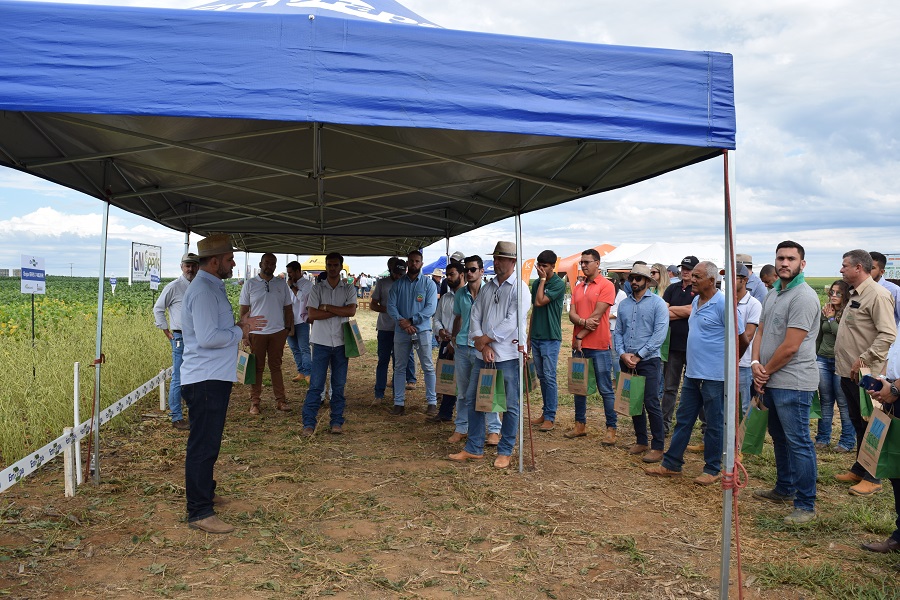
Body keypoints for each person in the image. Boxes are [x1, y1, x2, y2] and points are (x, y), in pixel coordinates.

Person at [181, 234, 266, 534]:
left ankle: (205, 494)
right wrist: (239, 330)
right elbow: (208, 338)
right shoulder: (204, 291)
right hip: (205, 379)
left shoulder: (209, 286)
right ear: (215, 261)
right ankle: (199, 512)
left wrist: (237, 330)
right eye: (230, 259)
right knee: (203, 445)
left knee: (208, 443)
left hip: (211, 377)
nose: (233, 264)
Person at [646, 261, 744, 482]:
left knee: (713, 423)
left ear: (711, 281)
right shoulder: (696, 301)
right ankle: (672, 464)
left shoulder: (723, 304)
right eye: (692, 276)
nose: (691, 279)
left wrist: (729, 365)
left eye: (697, 277)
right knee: (684, 419)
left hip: (714, 376)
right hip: (693, 374)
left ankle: (712, 469)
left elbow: (740, 338)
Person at [751, 241, 821, 524]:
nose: (784, 263)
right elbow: (761, 331)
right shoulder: (773, 293)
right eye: (780, 258)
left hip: (794, 381)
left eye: (791, 258)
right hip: (771, 378)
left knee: (799, 441)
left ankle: (806, 504)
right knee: (779, 437)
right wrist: (756, 364)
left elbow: (791, 346)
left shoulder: (803, 297)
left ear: (802, 264)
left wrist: (764, 370)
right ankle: (784, 488)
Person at [449, 241, 530, 468]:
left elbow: (513, 321)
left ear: (512, 262)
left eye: (501, 258)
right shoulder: (488, 287)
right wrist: (482, 344)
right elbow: (474, 315)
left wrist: (487, 338)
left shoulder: (520, 288)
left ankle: (505, 450)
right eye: (495, 258)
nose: (496, 262)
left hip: (508, 355)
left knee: (510, 405)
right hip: (483, 354)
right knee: (475, 399)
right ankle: (474, 448)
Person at [833, 249, 896, 496]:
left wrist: (863, 359)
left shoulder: (878, 295)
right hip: (850, 373)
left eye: (844, 265)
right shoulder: (856, 294)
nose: (841, 270)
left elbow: (888, 334)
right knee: (859, 422)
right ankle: (860, 467)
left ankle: (874, 477)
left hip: (866, 374)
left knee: (873, 424)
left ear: (858, 268)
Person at [613, 264, 669, 462]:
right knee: (633, 401)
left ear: (647, 281)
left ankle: (658, 446)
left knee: (651, 402)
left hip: (648, 361)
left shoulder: (658, 304)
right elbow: (618, 331)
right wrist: (622, 354)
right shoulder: (624, 305)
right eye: (632, 278)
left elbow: (659, 335)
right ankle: (641, 440)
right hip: (626, 359)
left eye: (638, 278)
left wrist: (639, 355)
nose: (634, 282)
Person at [301, 252, 358, 435]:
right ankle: (309, 423)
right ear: (326, 267)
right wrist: (339, 311)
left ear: (341, 267)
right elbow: (312, 315)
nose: (332, 268)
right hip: (320, 342)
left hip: (341, 343)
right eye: (329, 265)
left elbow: (351, 311)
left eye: (335, 265)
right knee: (316, 385)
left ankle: (336, 422)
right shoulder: (317, 289)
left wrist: (326, 308)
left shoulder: (348, 288)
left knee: (339, 385)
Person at [448, 255, 502, 444]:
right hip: (463, 346)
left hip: (483, 347)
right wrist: (453, 339)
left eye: (473, 269)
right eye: (467, 270)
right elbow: (457, 318)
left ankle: (494, 430)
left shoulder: (491, 292)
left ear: (481, 271)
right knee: (463, 391)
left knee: (488, 388)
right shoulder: (460, 294)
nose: (469, 273)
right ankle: (461, 427)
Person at [566, 248, 617, 444]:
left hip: (598, 345)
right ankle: (580, 425)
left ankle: (611, 428)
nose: (583, 265)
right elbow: (571, 314)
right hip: (579, 345)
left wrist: (580, 333)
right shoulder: (578, 286)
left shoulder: (606, 286)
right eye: (582, 262)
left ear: (597, 263)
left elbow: (597, 316)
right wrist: (582, 323)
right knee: (579, 387)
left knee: (605, 388)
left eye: (587, 262)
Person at [239, 253, 293, 415]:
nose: (270, 266)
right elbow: (244, 310)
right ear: (261, 264)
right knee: (257, 368)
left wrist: (287, 330)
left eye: (273, 264)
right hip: (257, 333)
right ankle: (255, 402)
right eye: (267, 263)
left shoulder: (281, 284)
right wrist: (244, 333)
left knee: (276, 366)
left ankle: (281, 401)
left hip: (277, 332)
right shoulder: (250, 284)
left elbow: (288, 308)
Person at [387, 250, 438, 416]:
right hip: (401, 331)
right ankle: (399, 402)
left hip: (421, 330)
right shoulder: (397, 285)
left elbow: (431, 307)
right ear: (407, 263)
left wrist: (413, 320)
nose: (414, 263)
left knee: (428, 366)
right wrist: (403, 321)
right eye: (411, 261)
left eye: (417, 261)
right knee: (400, 367)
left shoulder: (428, 284)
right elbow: (391, 306)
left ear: (421, 263)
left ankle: (432, 402)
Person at [153, 252, 200, 431]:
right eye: (187, 265)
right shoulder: (173, 287)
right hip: (180, 336)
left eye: (193, 265)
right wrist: (165, 330)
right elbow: (158, 309)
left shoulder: (200, 286)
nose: (190, 269)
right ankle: (176, 417)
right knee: (179, 377)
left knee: (196, 375)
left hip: (199, 336)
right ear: (181, 267)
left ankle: (194, 413)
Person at [860, 340, 900, 553]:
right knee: (897, 469)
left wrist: (894, 388)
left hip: (896, 391)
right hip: (894, 393)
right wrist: (883, 380)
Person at [813, 280, 855, 452]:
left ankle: (846, 441)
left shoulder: (848, 312)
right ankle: (823, 438)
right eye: (832, 292)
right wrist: (814, 356)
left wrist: (831, 318)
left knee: (843, 402)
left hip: (841, 360)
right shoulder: (825, 310)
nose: (834, 296)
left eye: (838, 293)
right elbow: (819, 336)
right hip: (823, 359)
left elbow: (842, 335)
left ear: (845, 295)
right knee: (826, 400)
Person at [527, 250, 566, 432]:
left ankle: (550, 416)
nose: (540, 269)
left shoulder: (558, 284)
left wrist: (542, 281)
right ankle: (545, 412)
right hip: (537, 336)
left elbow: (540, 301)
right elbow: (534, 310)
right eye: (539, 266)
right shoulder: (537, 284)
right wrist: (528, 336)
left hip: (551, 337)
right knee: (541, 377)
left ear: (552, 267)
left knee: (549, 377)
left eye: (544, 266)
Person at [661, 256, 699, 435]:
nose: (685, 271)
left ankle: (705, 428)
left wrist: (675, 310)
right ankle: (664, 424)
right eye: (683, 267)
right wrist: (684, 311)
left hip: (693, 347)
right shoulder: (672, 288)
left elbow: (694, 311)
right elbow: (662, 312)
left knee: (696, 388)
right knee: (669, 387)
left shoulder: (699, 290)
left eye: (689, 268)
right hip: (673, 346)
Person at [370, 258, 417, 402]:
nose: (398, 276)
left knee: (400, 362)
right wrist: (390, 310)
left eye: (401, 273)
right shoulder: (382, 283)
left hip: (402, 329)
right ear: (390, 270)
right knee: (383, 360)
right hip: (385, 328)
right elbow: (373, 305)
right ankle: (379, 393)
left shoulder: (408, 284)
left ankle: (398, 394)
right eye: (396, 273)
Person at [431, 261, 464, 422]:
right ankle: (445, 412)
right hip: (445, 342)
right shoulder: (446, 297)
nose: (449, 278)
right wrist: (440, 330)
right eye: (448, 275)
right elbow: (436, 318)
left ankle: (462, 418)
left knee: (464, 380)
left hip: (462, 343)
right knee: (446, 377)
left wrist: (454, 341)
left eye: (452, 274)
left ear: (462, 275)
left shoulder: (468, 296)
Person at [735, 263, 762, 414]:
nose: (729, 281)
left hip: (742, 362)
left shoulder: (754, 304)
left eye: (734, 277)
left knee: (743, 404)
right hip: (724, 362)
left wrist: (735, 357)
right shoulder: (726, 301)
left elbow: (749, 335)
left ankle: (741, 437)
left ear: (745, 280)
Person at [285, 261, 313, 385]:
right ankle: (301, 371)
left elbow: (302, 298)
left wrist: (292, 286)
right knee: (294, 348)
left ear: (298, 271)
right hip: (289, 321)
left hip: (302, 321)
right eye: (288, 273)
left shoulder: (307, 284)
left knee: (304, 348)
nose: (289, 275)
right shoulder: (287, 285)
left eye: (290, 272)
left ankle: (308, 373)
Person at [869, 251, 900, 327]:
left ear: (881, 272)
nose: (868, 271)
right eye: (865, 267)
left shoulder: (894, 290)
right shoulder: (857, 288)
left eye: (872, 268)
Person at [608, 277, 627, 380]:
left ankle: (617, 378)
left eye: (609, 280)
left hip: (615, 327)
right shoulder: (606, 291)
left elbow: (621, 311)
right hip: (605, 326)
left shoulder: (621, 294)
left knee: (615, 354)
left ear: (614, 281)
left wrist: (608, 316)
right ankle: (611, 376)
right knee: (607, 354)